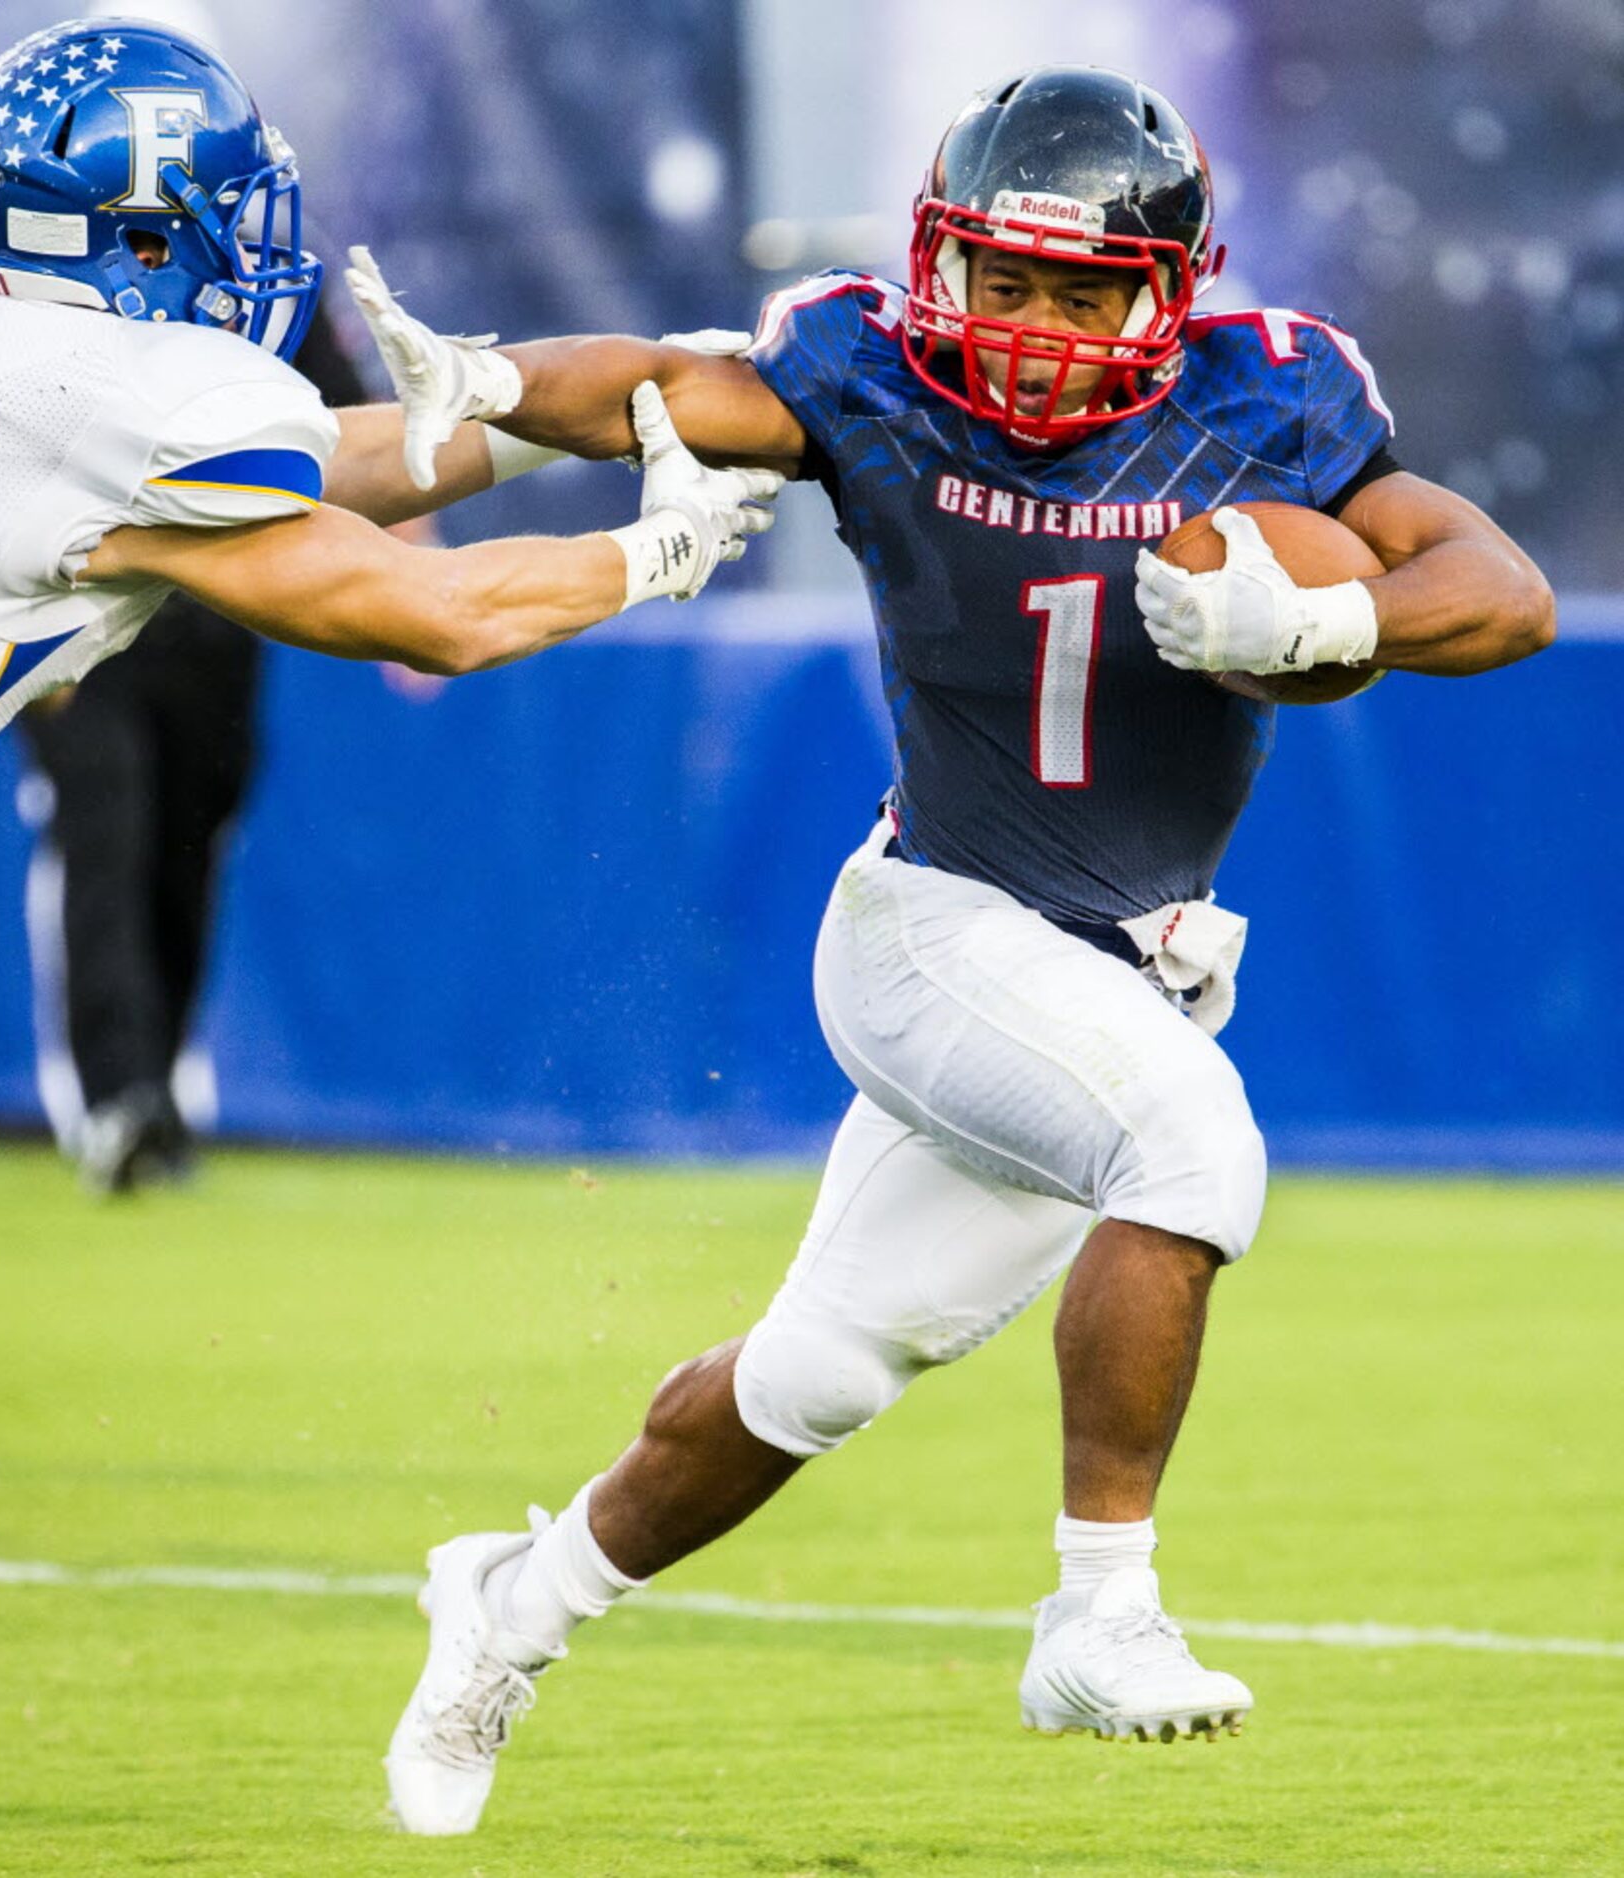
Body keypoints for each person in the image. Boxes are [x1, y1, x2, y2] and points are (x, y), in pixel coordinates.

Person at [352, 64, 1555, 1833]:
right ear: (938, 272)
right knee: (1191, 1140)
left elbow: (1502, 592)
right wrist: (498, 381)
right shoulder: (871, 377)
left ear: (1170, 293)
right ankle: (1100, 1607)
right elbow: (674, 390)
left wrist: (1338, 609)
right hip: (932, 930)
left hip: (1111, 968)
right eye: (1004, 283)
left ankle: (506, 1607)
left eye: (1084, 291)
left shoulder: (1267, 405)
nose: (1037, 329)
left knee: (812, 1374)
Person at [0, 16, 778, 1600]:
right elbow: (421, 613)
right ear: (148, 224)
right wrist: (647, 553)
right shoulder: (116, 398)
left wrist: (538, 412)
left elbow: (320, 470)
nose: (256, 232)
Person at [18, 313, 372, 1194]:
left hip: (218, 610)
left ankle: (157, 1086)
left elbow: (344, 420)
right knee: (106, 834)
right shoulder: (44, 268)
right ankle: (115, 1098)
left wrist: (410, 546)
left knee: (188, 848)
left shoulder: (250, 257)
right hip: (83, 611)